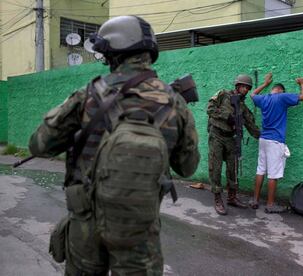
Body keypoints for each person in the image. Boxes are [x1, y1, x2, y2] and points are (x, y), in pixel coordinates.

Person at [29, 15, 200, 275]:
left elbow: (39, 145)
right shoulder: (174, 102)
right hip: (139, 229)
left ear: (113, 52)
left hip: (86, 225)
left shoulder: (88, 95)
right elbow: (188, 167)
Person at [249, 74, 303, 213]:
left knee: (260, 170)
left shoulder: (264, 98)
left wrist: (265, 83)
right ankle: (270, 205)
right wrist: (302, 84)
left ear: (273, 89)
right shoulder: (282, 97)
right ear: (281, 90)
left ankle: (255, 201)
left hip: (263, 139)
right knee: (273, 174)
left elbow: (252, 94)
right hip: (275, 141)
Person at [207, 74, 260, 215]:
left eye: (248, 88)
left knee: (233, 169)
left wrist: (264, 137)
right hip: (217, 135)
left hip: (231, 138)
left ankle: (232, 197)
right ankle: (218, 198)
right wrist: (227, 117)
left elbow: (251, 125)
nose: (245, 90)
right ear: (237, 86)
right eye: (243, 86)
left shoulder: (242, 107)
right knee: (215, 168)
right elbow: (210, 109)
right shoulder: (223, 94)